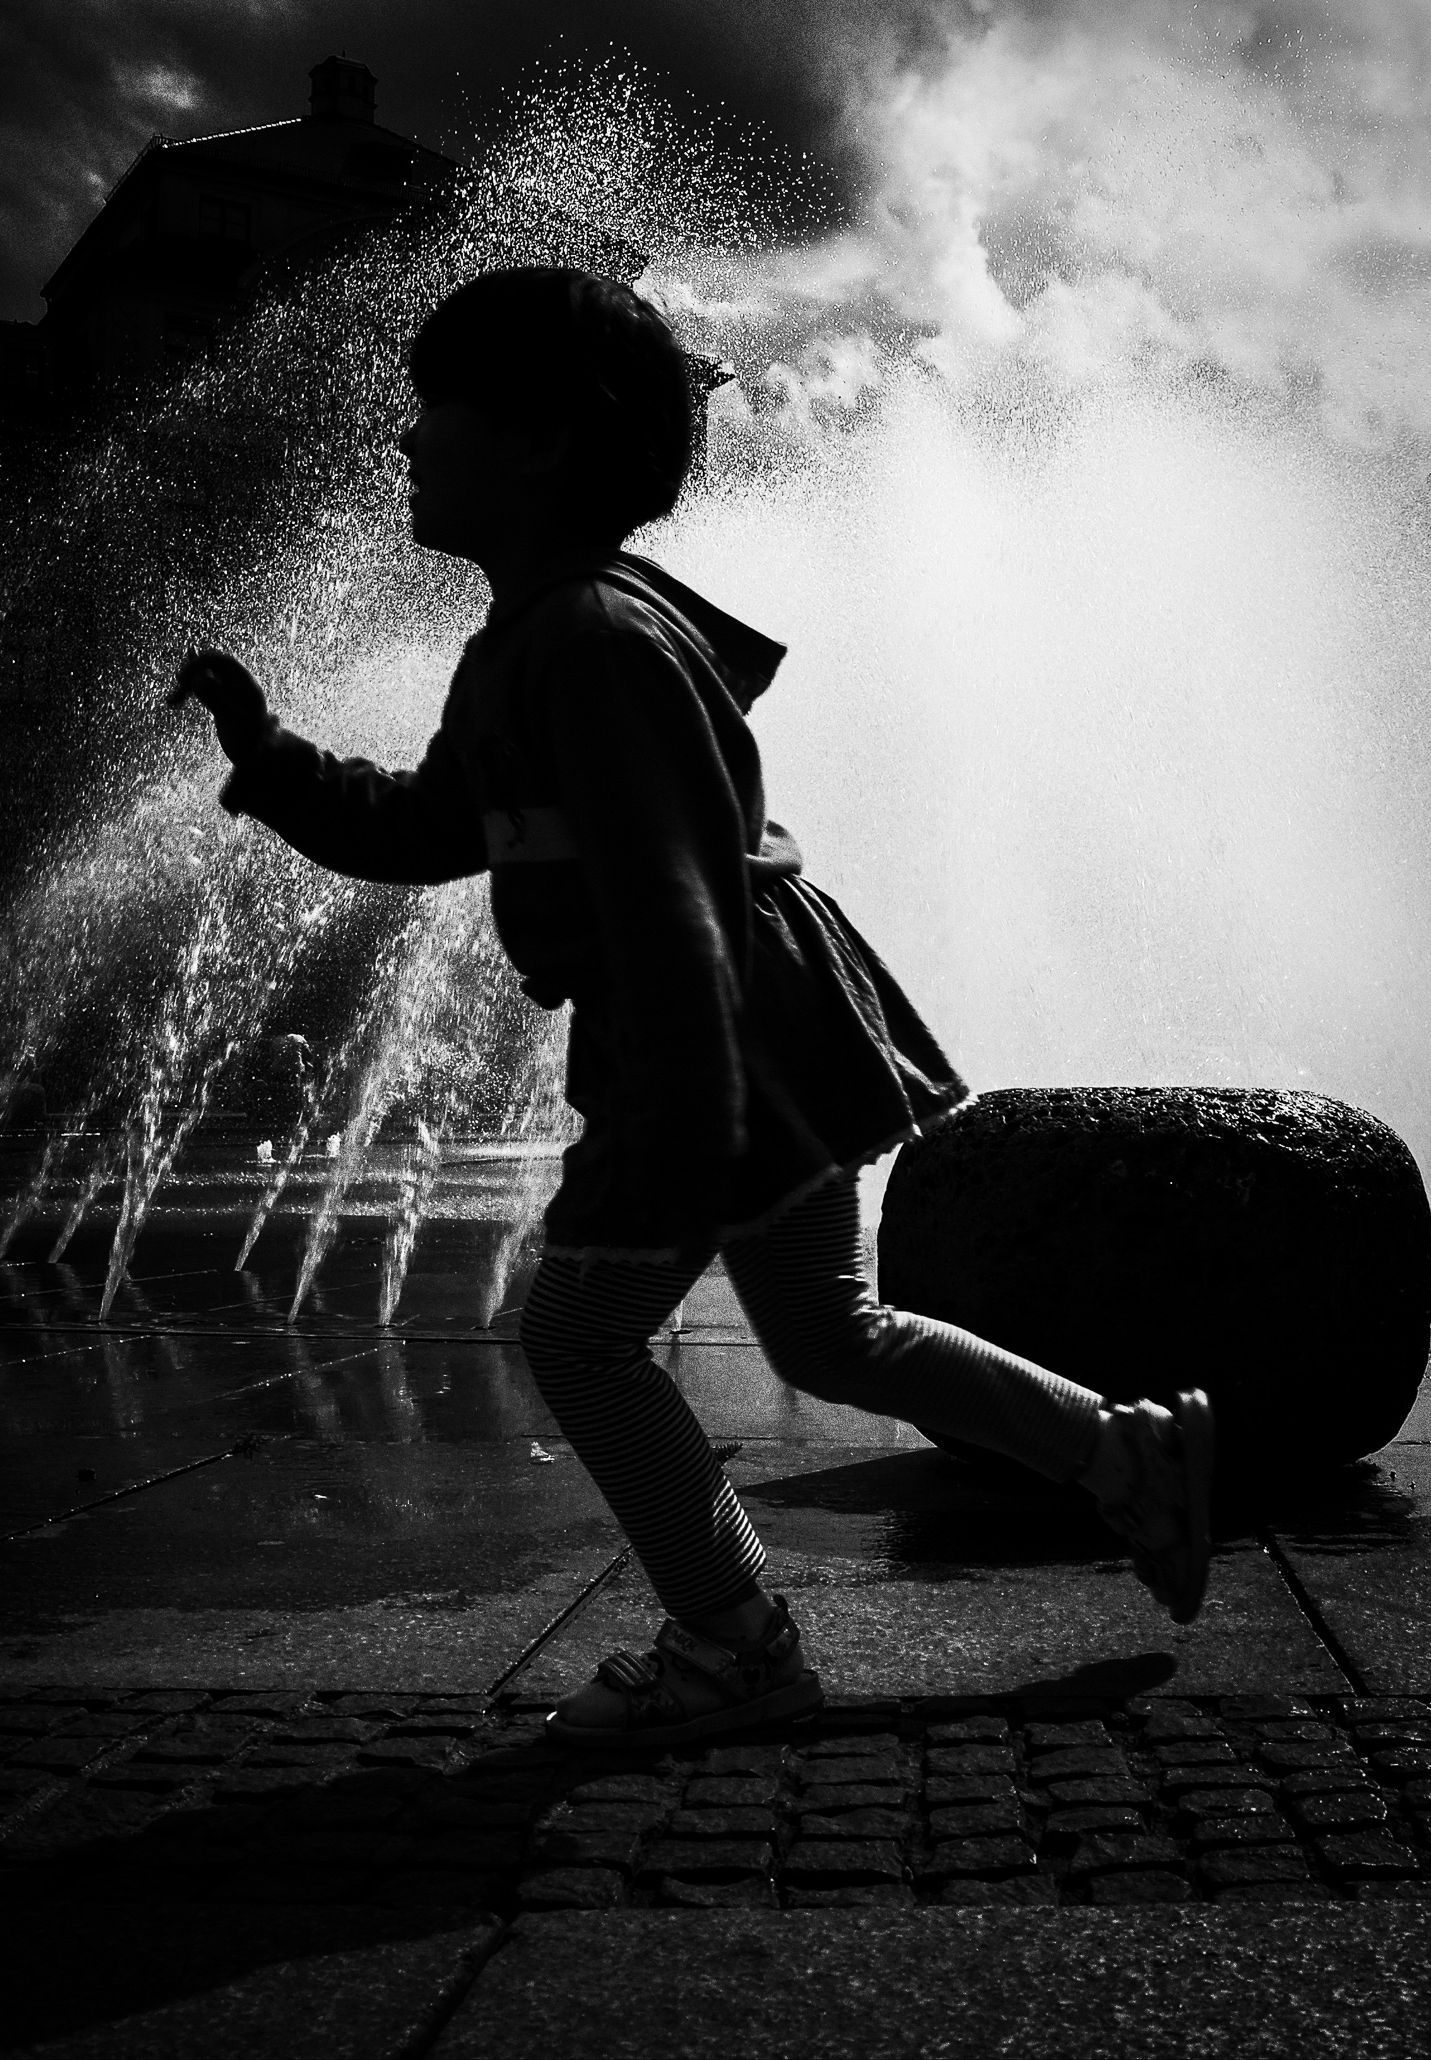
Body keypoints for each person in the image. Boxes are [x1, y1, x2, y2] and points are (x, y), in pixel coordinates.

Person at [171, 266, 1214, 1749]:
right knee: (826, 1331)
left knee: (583, 1340)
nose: (405, 443)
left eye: (433, 411)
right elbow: (419, 830)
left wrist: (679, 1118)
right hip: (748, 1025)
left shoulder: (591, 642)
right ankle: (1120, 1457)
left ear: (539, 440)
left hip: (717, 1030)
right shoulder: (537, 640)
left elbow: (668, 894)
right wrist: (266, 752)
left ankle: (731, 1640)